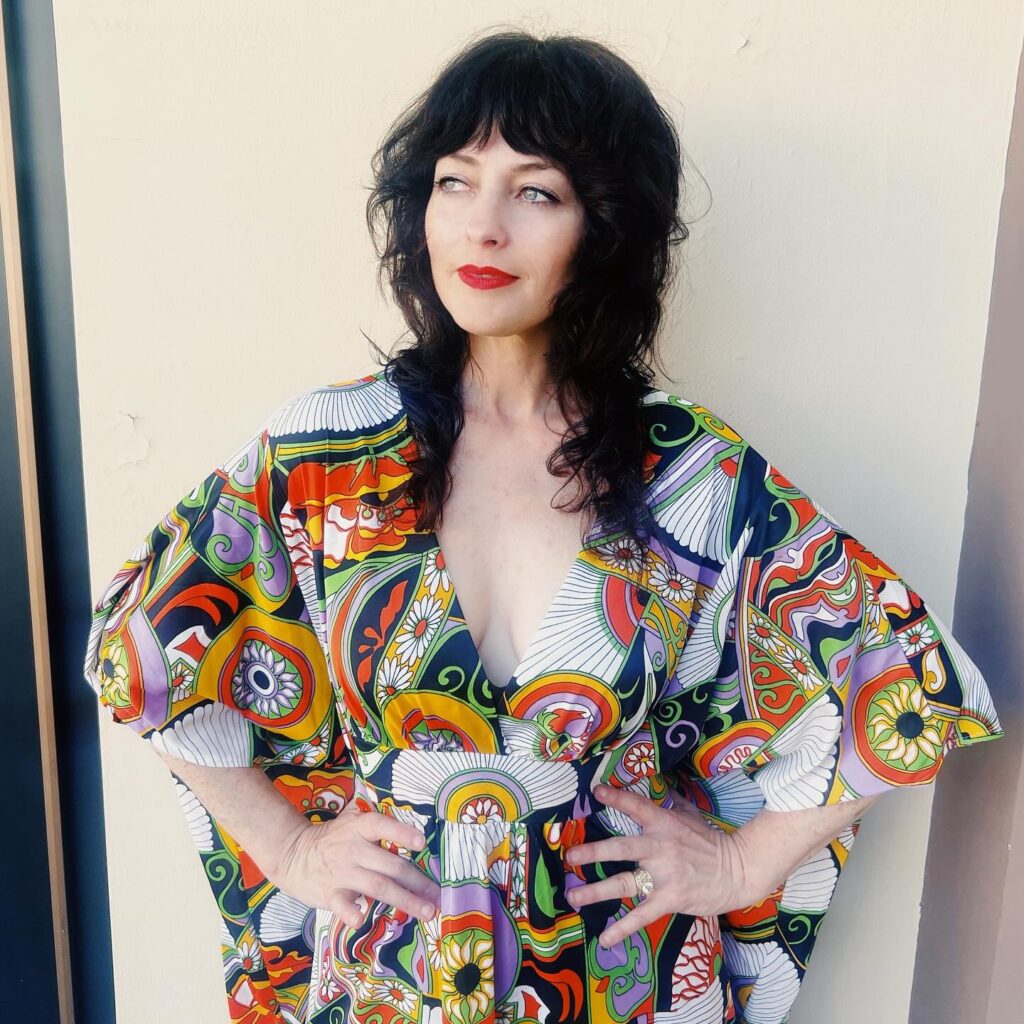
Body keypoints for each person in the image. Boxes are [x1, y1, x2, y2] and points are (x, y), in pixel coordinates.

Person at [83, 28, 1004, 1024]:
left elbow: (904, 680)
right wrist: (289, 845)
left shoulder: (687, 474)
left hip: (617, 979)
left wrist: (742, 863)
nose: (482, 228)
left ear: (601, 231)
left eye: (535, 193)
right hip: (394, 980)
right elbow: (140, 646)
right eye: (454, 182)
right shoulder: (326, 450)